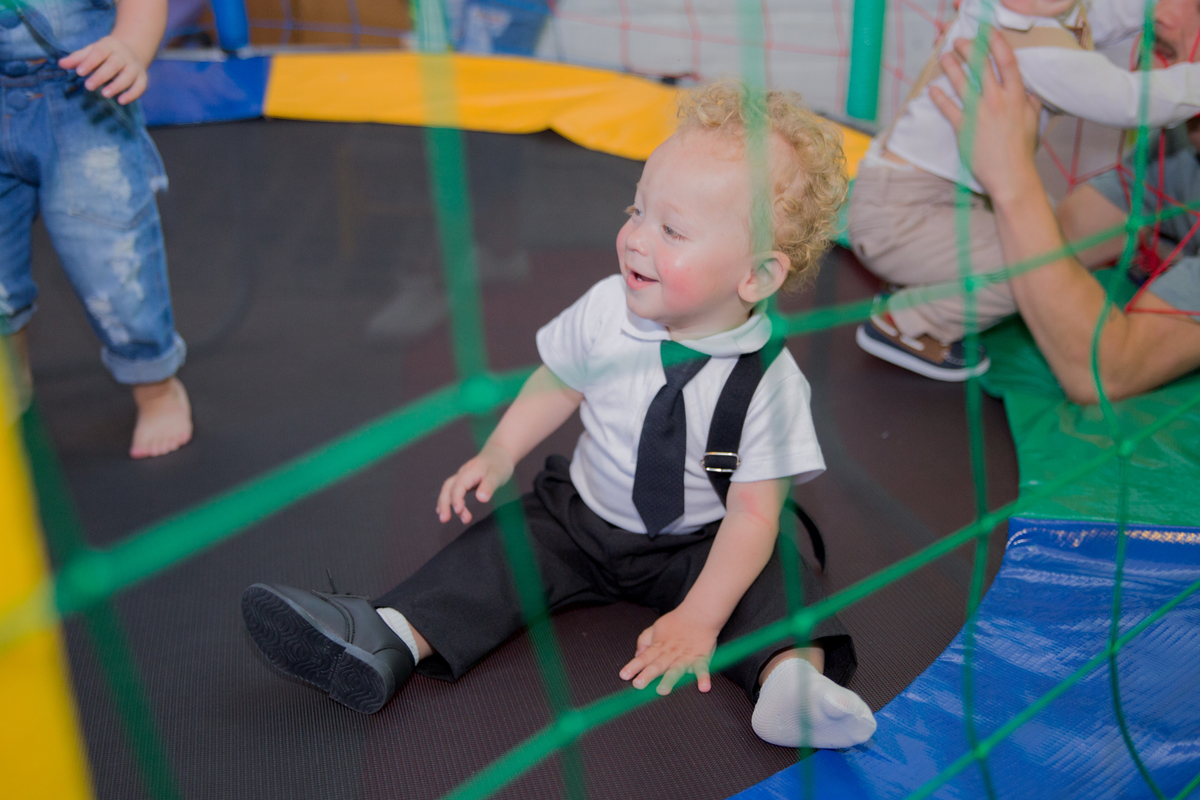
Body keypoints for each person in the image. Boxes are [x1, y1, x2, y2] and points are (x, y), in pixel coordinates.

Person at [240, 81, 878, 750]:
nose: (635, 238)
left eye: (672, 229)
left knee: (781, 579)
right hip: (583, 517)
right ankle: (389, 635)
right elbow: (557, 382)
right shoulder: (608, 310)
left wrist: (699, 617)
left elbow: (751, 515)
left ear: (755, 276)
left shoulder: (772, 385)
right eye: (637, 210)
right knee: (503, 547)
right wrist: (499, 451)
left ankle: (789, 685)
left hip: (702, 543)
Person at [847, 0, 1200, 381]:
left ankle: (919, 283)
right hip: (904, 211)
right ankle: (911, 323)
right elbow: (1132, 101)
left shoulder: (1033, 14)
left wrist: (1144, 8)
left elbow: (1101, 19)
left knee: (1038, 233)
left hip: (918, 198)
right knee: (1031, 268)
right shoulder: (1033, 50)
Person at [930, 31, 1200, 403]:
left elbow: (1106, 373)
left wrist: (1012, 175)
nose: (1165, 15)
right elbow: (1069, 233)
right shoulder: (1181, 148)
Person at [1, 0, 192, 457]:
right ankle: (12, 381)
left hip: (82, 99)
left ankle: (157, 388)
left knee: (113, 262)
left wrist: (129, 46)